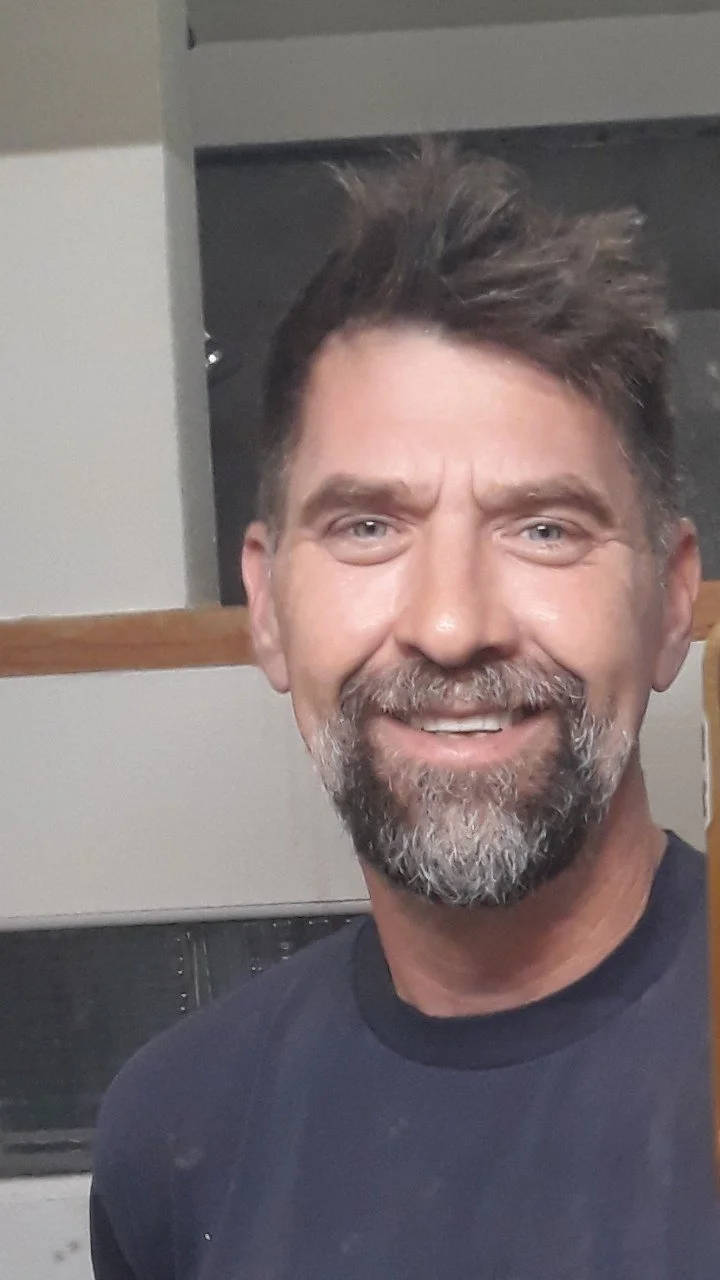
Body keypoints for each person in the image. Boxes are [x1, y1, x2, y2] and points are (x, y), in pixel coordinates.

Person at [90, 141, 716, 1280]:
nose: (450, 622)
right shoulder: (176, 1142)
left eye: (545, 528)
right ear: (268, 607)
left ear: (671, 605)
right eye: (369, 526)